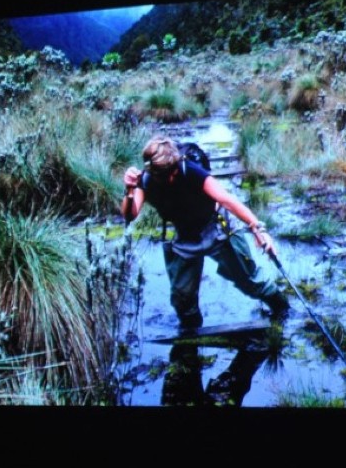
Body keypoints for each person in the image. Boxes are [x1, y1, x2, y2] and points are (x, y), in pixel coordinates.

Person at [121, 135, 290, 330]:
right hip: (185, 236)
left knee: (249, 281)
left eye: (175, 171)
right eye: (170, 175)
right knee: (182, 297)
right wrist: (129, 190)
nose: (174, 177)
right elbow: (130, 214)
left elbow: (227, 199)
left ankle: (282, 310)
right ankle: (191, 335)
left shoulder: (191, 171)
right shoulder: (148, 180)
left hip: (217, 228)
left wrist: (258, 229)